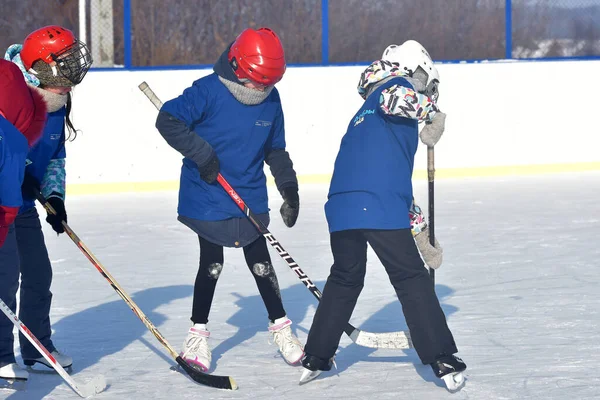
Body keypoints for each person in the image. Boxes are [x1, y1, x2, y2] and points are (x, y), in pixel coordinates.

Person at [298, 40, 466, 392]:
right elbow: (398, 100)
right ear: (413, 70)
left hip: (344, 206)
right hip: (374, 203)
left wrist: (422, 237)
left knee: (345, 277)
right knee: (410, 278)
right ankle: (443, 358)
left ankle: (316, 355)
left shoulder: (368, 112)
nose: (427, 91)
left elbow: (392, 190)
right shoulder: (394, 89)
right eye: (427, 83)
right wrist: (433, 115)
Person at [155, 27, 303, 372]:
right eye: (258, 83)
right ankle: (197, 335)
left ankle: (282, 329)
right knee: (212, 263)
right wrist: (202, 155)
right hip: (208, 190)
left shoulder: (270, 97)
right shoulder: (207, 91)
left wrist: (289, 187)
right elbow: (168, 120)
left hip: (248, 190)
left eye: (269, 84)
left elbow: (275, 148)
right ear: (238, 67)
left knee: (260, 263)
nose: (262, 90)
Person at [0, 25, 92, 381]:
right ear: (43, 66)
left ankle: (37, 347)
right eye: (66, 63)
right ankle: (1, 354)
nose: (72, 71)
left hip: (22, 204)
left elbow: (54, 156)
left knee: (39, 273)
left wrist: (55, 196)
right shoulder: (9, 93)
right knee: (5, 279)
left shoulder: (57, 100)